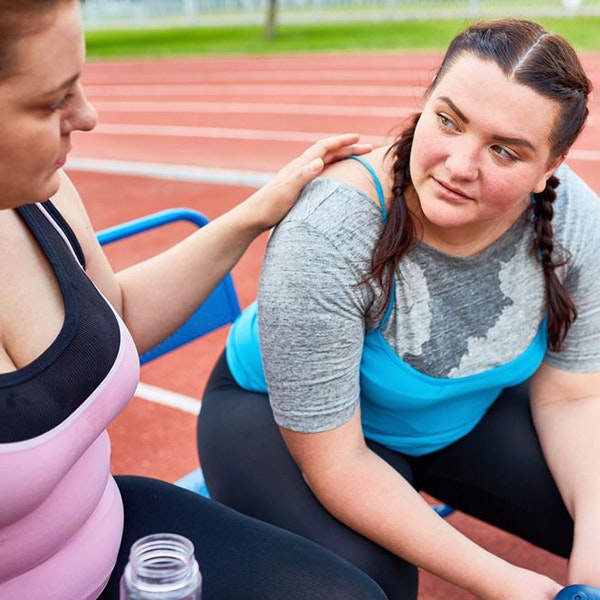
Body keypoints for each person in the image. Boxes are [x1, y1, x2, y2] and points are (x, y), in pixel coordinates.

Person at [198, 18, 600, 600]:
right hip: (284, 425)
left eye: (505, 151)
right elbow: (338, 465)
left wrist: (589, 575)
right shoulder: (330, 232)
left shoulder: (576, 220)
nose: (460, 166)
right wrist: (507, 582)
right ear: (425, 102)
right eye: (448, 121)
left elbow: (573, 395)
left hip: (457, 413)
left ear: (550, 168)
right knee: (368, 587)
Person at [0, 1, 388, 599]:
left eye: (79, 84)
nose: (88, 115)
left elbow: (117, 318)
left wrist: (259, 211)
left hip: (119, 537)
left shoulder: (39, 195)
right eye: (53, 101)